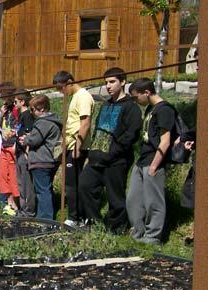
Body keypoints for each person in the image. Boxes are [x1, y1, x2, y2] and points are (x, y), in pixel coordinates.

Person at [79, 68, 142, 233]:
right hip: (96, 158)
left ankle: (117, 227)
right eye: (106, 82)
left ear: (122, 82)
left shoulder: (131, 107)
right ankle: (94, 222)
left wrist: (114, 152)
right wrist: (92, 153)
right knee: (85, 185)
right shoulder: (106, 104)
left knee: (115, 196)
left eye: (112, 81)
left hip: (116, 160)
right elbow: (98, 129)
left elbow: (131, 134)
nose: (108, 86)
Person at [126, 77, 177, 244]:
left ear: (146, 92)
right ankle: (137, 233)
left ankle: (152, 236)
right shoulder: (150, 108)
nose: (135, 100)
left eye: (136, 97)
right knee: (133, 199)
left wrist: (154, 166)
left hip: (154, 161)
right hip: (142, 160)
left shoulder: (164, 110)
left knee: (153, 201)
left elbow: (165, 140)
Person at [53, 70, 94, 227]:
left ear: (69, 82)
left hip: (78, 146)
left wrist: (78, 146)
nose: (61, 92)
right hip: (70, 145)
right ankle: (77, 215)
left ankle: (76, 217)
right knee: (70, 182)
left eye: (61, 88)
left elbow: (85, 123)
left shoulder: (83, 96)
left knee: (73, 183)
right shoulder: (74, 97)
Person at [19, 95, 62, 220]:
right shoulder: (53, 121)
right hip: (48, 159)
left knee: (42, 191)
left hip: (41, 160)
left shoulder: (44, 122)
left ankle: (46, 218)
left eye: (32, 110)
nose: (31, 113)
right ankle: (43, 215)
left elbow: (35, 140)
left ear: (42, 109)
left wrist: (26, 139)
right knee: (45, 189)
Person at [14, 91, 37, 217]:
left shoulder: (28, 115)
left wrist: (27, 152)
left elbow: (29, 134)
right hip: (18, 151)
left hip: (24, 153)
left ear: (22, 102)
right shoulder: (21, 116)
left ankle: (29, 210)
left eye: (15, 101)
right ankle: (23, 208)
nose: (14, 104)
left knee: (27, 183)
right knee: (20, 182)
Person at [0, 87, 21, 216]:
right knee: (3, 175)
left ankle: (16, 204)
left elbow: (19, 126)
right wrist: (1, 114)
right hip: (4, 145)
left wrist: (14, 134)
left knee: (13, 175)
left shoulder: (16, 110)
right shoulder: (5, 110)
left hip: (12, 145)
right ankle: (9, 202)